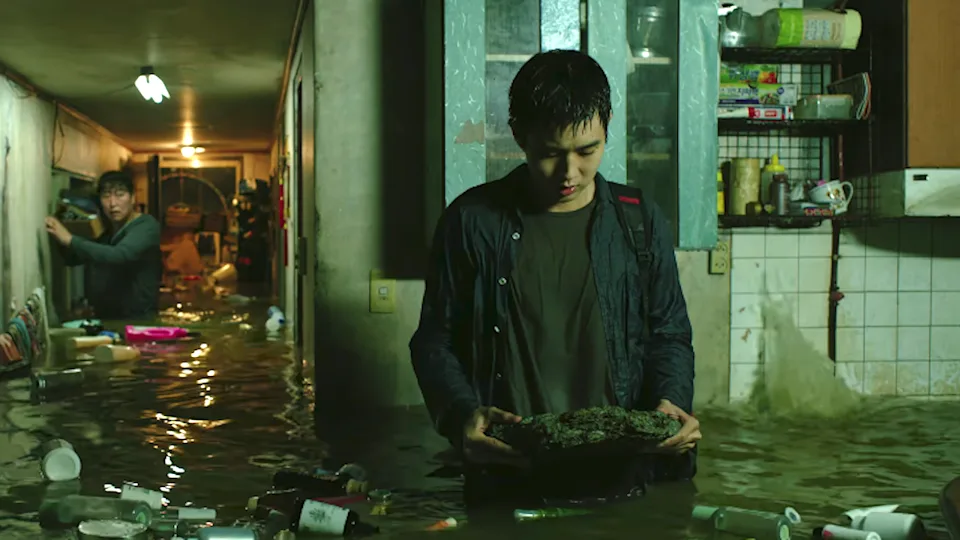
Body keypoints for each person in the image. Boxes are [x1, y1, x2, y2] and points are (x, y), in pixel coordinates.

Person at [410, 50, 701, 507]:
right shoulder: (472, 221)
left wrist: (671, 402)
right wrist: (462, 415)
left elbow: (668, 333)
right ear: (519, 136)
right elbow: (434, 340)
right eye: (550, 153)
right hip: (512, 475)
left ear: (607, 127)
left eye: (587, 151)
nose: (570, 173)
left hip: (625, 476)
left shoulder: (638, 220)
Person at [46, 170, 162, 320]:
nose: (113, 203)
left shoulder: (146, 226)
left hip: (137, 320)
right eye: (106, 196)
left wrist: (70, 239)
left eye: (120, 195)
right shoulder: (105, 230)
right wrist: (63, 227)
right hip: (106, 317)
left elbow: (120, 255)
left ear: (133, 198)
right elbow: (73, 259)